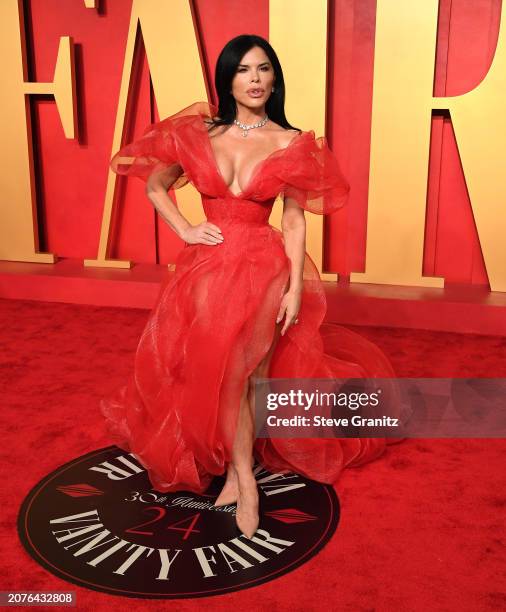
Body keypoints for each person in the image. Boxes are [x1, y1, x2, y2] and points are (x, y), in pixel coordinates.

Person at [100, 34, 401, 540]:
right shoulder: (201, 134)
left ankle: (245, 479)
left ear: (275, 77)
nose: (255, 79)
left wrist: (296, 291)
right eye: (243, 70)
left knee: (244, 375)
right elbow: (155, 185)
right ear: (228, 79)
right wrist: (185, 229)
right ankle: (241, 472)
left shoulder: (291, 142)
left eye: (263, 69)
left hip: (263, 269)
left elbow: (295, 222)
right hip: (206, 268)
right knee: (218, 371)